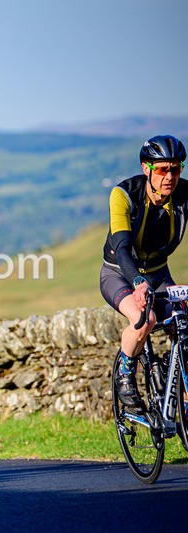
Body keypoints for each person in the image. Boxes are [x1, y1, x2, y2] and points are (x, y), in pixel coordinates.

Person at [100, 134, 187, 408]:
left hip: (159, 274)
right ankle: (125, 375)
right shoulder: (124, 195)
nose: (169, 176)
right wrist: (137, 281)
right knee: (144, 319)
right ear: (146, 168)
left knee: (183, 323)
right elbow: (122, 247)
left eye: (176, 168)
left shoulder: (184, 194)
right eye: (162, 169)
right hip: (119, 273)